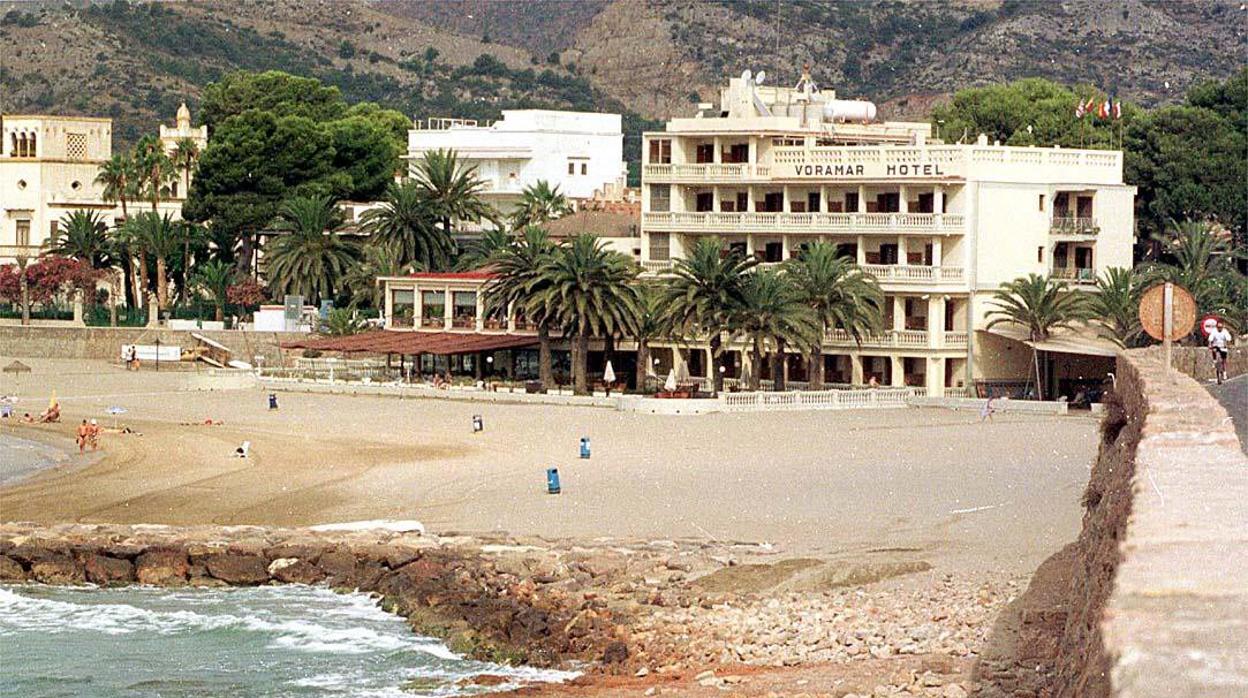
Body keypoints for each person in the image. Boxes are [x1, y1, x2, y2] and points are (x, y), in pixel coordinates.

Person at [1208, 320, 1233, 384]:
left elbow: (1228, 338)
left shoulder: (1225, 331)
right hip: (1216, 346)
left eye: (1220, 327)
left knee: (1224, 360)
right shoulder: (1214, 331)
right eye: (1218, 327)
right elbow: (1210, 338)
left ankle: (1224, 373)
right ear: (1216, 327)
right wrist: (1210, 344)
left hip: (1223, 346)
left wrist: (1228, 344)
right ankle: (1214, 361)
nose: (1219, 328)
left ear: (1222, 327)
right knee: (1214, 350)